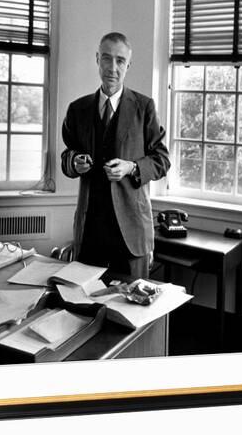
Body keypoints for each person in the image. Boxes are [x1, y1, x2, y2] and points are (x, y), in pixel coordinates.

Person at [61, 32, 170, 278]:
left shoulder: (145, 107)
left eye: (120, 61)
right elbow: (67, 156)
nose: (112, 67)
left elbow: (162, 160)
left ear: (128, 65)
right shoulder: (78, 109)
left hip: (131, 232)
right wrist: (75, 163)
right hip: (90, 232)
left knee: (131, 310)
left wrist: (132, 167)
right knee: (86, 307)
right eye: (107, 59)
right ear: (97, 59)